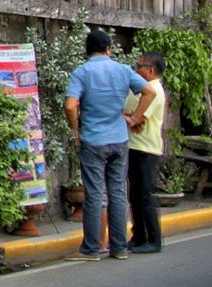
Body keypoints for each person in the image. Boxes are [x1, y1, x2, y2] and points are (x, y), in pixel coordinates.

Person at [65, 29, 154, 260]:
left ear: (87, 50)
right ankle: (119, 248)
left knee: (94, 195)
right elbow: (149, 91)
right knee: (117, 192)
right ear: (109, 49)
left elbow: (70, 105)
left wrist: (75, 129)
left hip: (93, 140)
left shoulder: (81, 73)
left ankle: (91, 249)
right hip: (119, 139)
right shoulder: (123, 70)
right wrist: (134, 117)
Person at [126, 52, 168, 254]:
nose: (136, 69)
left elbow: (138, 119)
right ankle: (139, 235)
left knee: (144, 195)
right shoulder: (142, 90)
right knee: (134, 195)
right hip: (135, 145)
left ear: (150, 70)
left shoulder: (154, 91)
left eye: (140, 65)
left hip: (146, 148)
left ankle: (154, 239)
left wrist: (130, 116)